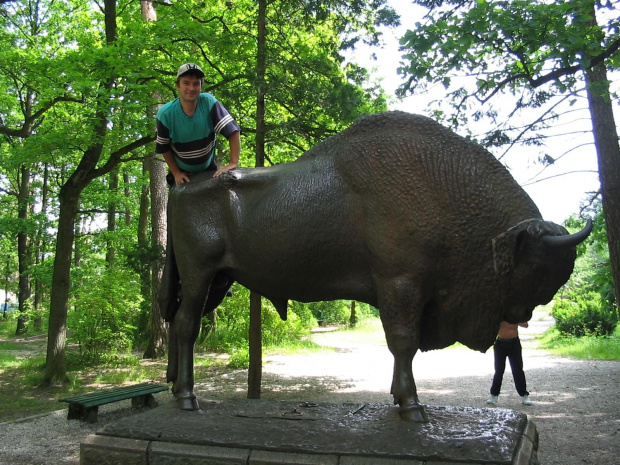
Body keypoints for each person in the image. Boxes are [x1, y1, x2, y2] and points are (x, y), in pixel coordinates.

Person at [156, 63, 241, 185]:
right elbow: (164, 147)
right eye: (186, 83)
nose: (191, 88)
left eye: (196, 84)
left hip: (209, 170)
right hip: (182, 173)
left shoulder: (208, 102)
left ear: (201, 86)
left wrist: (233, 163)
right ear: (177, 86)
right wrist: (176, 173)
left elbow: (233, 131)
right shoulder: (166, 113)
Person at [486, 321, 532, 406]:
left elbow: (526, 325)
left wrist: (516, 320)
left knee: (517, 370)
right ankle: (494, 394)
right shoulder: (499, 313)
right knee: (499, 370)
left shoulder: (515, 313)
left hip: (514, 343)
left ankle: (524, 395)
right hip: (500, 343)